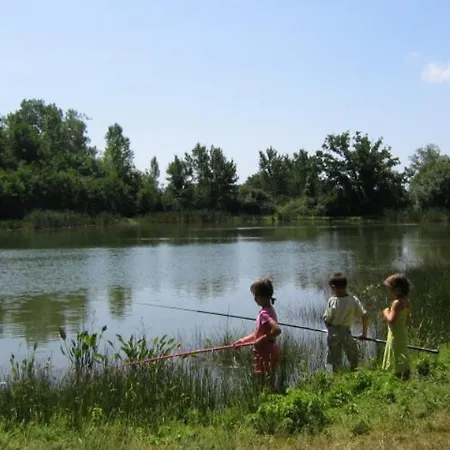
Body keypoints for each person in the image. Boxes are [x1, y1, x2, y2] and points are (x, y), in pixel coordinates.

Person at [233, 278, 281, 392]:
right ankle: (271, 399)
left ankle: (267, 402)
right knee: (268, 381)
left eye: (256, 295)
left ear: (264, 296)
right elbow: (258, 333)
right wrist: (243, 341)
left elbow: (277, 330)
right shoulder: (269, 310)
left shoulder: (264, 314)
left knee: (262, 381)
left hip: (265, 352)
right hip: (270, 349)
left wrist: (262, 340)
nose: (254, 298)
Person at [323, 272, 369, 374]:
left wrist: (327, 324)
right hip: (347, 333)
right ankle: (354, 376)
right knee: (353, 358)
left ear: (334, 287)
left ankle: (337, 379)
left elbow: (327, 319)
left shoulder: (332, 301)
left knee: (335, 360)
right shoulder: (353, 299)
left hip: (333, 333)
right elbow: (364, 316)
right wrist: (364, 333)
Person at [381, 273, 411, 380]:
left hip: (395, 334)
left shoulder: (397, 303)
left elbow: (391, 320)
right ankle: (404, 373)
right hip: (402, 332)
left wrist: (385, 312)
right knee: (402, 352)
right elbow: (407, 321)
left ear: (397, 289)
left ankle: (397, 375)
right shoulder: (407, 301)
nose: (389, 292)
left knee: (396, 352)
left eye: (390, 289)